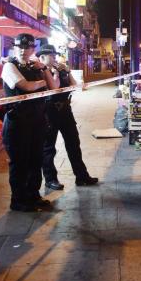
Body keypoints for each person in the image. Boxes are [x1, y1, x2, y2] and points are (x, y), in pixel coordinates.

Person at [1, 33, 58, 212]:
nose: (24, 51)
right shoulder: (9, 66)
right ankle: (18, 200)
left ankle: (33, 195)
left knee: (36, 159)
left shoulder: (35, 67)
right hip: (18, 121)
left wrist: (44, 69)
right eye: (20, 47)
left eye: (28, 47)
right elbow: (26, 86)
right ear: (14, 47)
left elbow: (54, 87)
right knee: (20, 162)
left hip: (37, 120)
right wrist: (42, 81)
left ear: (33, 49)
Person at [36, 44, 99, 190]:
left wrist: (68, 72)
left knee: (73, 143)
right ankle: (51, 179)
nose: (54, 58)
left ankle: (81, 176)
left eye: (54, 55)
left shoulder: (60, 69)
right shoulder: (40, 72)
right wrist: (55, 73)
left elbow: (75, 85)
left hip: (65, 110)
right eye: (51, 56)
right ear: (42, 57)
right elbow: (54, 88)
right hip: (48, 112)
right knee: (48, 148)